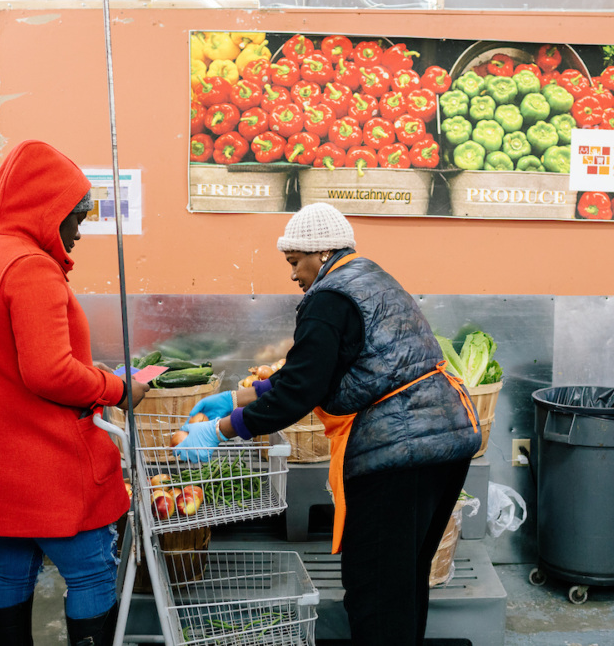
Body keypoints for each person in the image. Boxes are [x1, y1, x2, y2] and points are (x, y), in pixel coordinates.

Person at [180, 202, 481, 646]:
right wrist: (236, 396)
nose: (293, 274)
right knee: (403, 580)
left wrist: (221, 429)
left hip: (398, 453)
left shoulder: (328, 297)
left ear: (320, 253)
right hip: (443, 440)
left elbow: (299, 392)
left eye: (294, 261)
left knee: (374, 590)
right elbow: (318, 372)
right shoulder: (368, 278)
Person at [0, 140, 149, 646]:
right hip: (43, 458)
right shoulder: (31, 267)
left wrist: (81, 367)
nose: (78, 231)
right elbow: (47, 374)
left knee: (10, 572)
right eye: (74, 217)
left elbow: (9, 356)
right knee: (91, 573)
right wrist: (117, 387)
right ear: (44, 212)